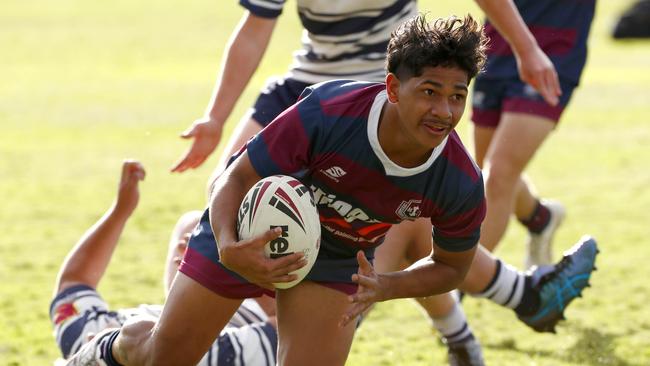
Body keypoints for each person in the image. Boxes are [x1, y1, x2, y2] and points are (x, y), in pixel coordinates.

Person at [66, 15, 598, 366]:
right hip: (247, 232)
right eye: (429, 91)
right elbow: (234, 177)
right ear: (392, 86)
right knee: (164, 359)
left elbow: (453, 267)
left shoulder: (456, 179)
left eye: (456, 96)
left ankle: (490, 317)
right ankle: (118, 346)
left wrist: (387, 286)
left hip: (337, 257)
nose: (444, 110)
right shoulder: (329, 112)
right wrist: (229, 244)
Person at [170, 0, 562, 176]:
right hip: (307, 82)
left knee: (384, 223)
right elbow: (254, 33)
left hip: (384, 90)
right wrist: (215, 117)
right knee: (226, 184)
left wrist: (528, 50)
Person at [52, 161, 278, 365]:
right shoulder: (218, 355)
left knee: (190, 224)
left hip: (118, 341)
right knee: (196, 224)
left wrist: (120, 210)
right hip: (254, 304)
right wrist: (229, 270)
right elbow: (294, 332)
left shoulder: (82, 336)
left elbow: (74, 281)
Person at [469, 0, 596, 268]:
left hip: (554, 51)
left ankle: (457, 286)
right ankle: (541, 219)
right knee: (485, 175)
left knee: (499, 175)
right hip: (498, 44)